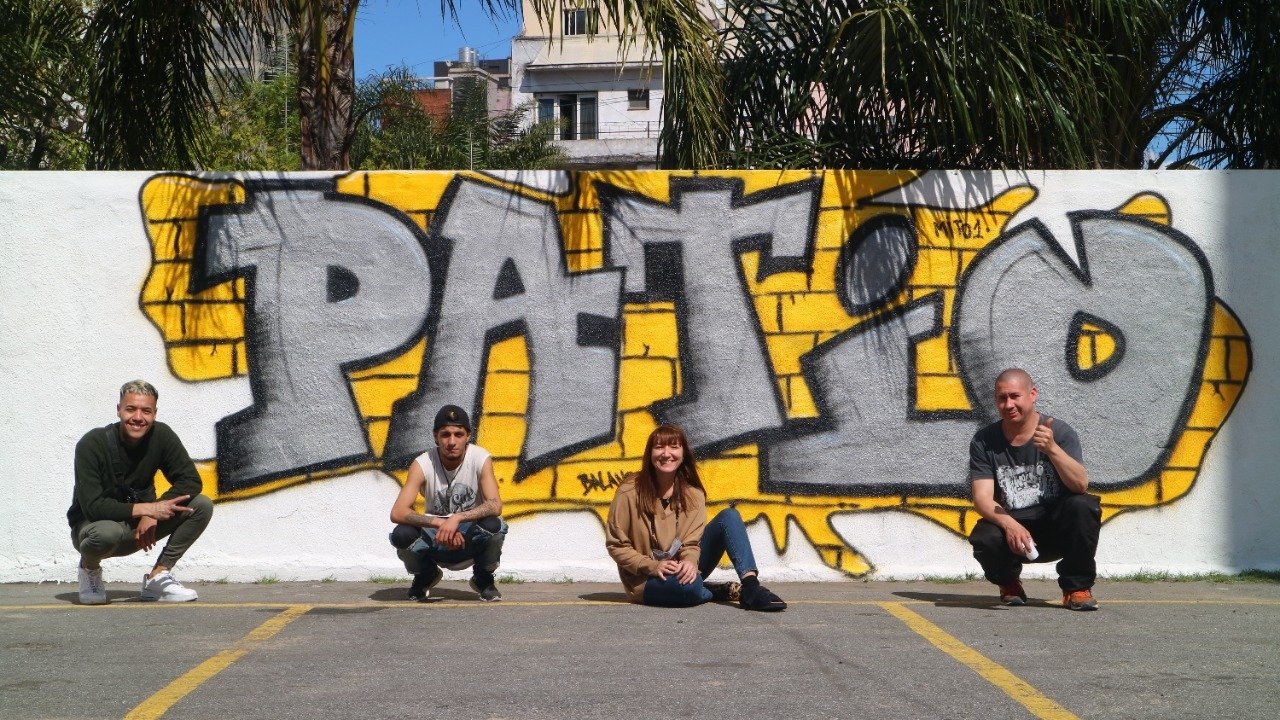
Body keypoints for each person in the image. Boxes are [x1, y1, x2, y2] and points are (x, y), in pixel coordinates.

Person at [605, 424, 786, 611]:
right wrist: (652, 566)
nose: (666, 453)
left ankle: (750, 587)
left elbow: (692, 543)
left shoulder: (693, 494)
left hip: (685, 569)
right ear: (649, 454)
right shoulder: (629, 491)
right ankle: (712, 591)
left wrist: (690, 561)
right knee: (688, 589)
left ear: (683, 454)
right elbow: (616, 545)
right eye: (659, 447)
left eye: (674, 447)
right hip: (647, 579)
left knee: (729, 517)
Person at [67, 380, 213, 605]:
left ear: (155, 413)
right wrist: (148, 508)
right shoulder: (91, 444)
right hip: (95, 530)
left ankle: (158, 576)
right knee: (107, 533)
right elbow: (93, 507)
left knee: (201, 505)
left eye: (146, 411)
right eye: (130, 409)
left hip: (138, 529)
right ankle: (90, 569)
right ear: (118, 410)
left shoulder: (161, 435)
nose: (138, 417)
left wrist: (152, 513)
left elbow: (190, 480)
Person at [968, 368, 1101, 610]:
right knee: (984, 535)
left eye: (1015, 396)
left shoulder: (1059, 433)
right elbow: (982, 497)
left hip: (1056, 529)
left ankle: (1076, 588)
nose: (1008, 404)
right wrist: (1010, 524)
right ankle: (1009, 582)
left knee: (1084, 506)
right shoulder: (984, 441)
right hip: (1014, 531)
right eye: (1002, 398)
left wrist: (1052, 449)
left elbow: (1080, 484)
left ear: (1032, 394)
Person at [389, 404, 507, 602]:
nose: (452, 441)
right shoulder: (422, 463)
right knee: (402, 533)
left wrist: (457, 518)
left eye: (458, 434)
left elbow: (495, 505)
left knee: (493, 524)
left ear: (467, 435)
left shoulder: (480, 458)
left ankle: (483, 578)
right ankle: (425, 574)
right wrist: (440, 523)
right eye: (445, 435)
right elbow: (397, 512)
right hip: (436, 539)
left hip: (469, 536)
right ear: (436, 436)